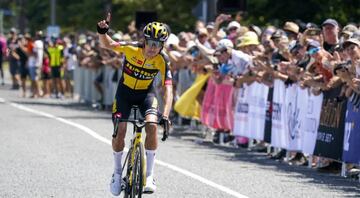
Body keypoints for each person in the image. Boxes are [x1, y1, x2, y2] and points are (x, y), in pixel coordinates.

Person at [97, 13, 173, 196]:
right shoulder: (131, 49)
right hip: (124, 94)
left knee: (152, 126)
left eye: (158, 44)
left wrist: (166, 115)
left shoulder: (163, 60)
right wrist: (102, 32)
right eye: (150, 43)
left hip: (146, 95)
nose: (153, 48)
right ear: (144, 41)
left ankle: (149, 175)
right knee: (120, 129)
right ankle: (116, 173)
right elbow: (107, 44)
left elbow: (168, 90)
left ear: (162, 45)